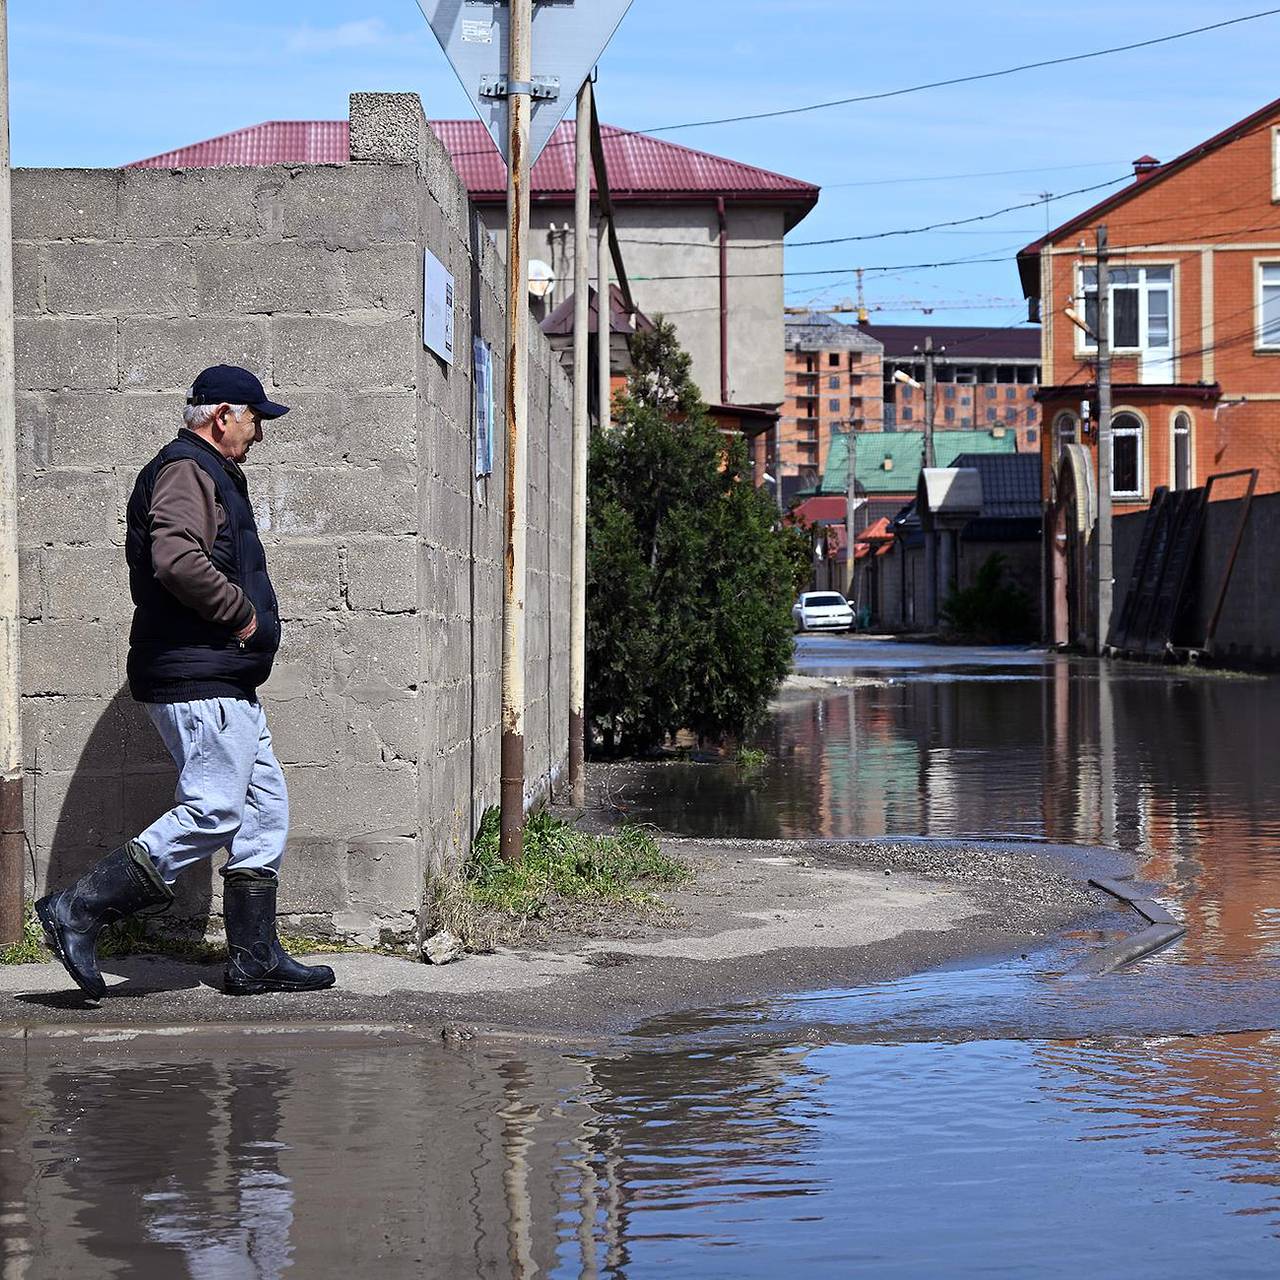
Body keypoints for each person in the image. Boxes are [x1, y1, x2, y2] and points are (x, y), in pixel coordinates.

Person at [36, 366, 336, 1000]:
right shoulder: (187, 470)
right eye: (255, 419)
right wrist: (245, 615)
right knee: (215, 808)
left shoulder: (208, 471)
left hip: (221, 676)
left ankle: (254, 959)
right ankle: (80, 910)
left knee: (262, 807)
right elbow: (176, 560)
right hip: (197, 673)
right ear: (223, 415)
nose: (259, 434)